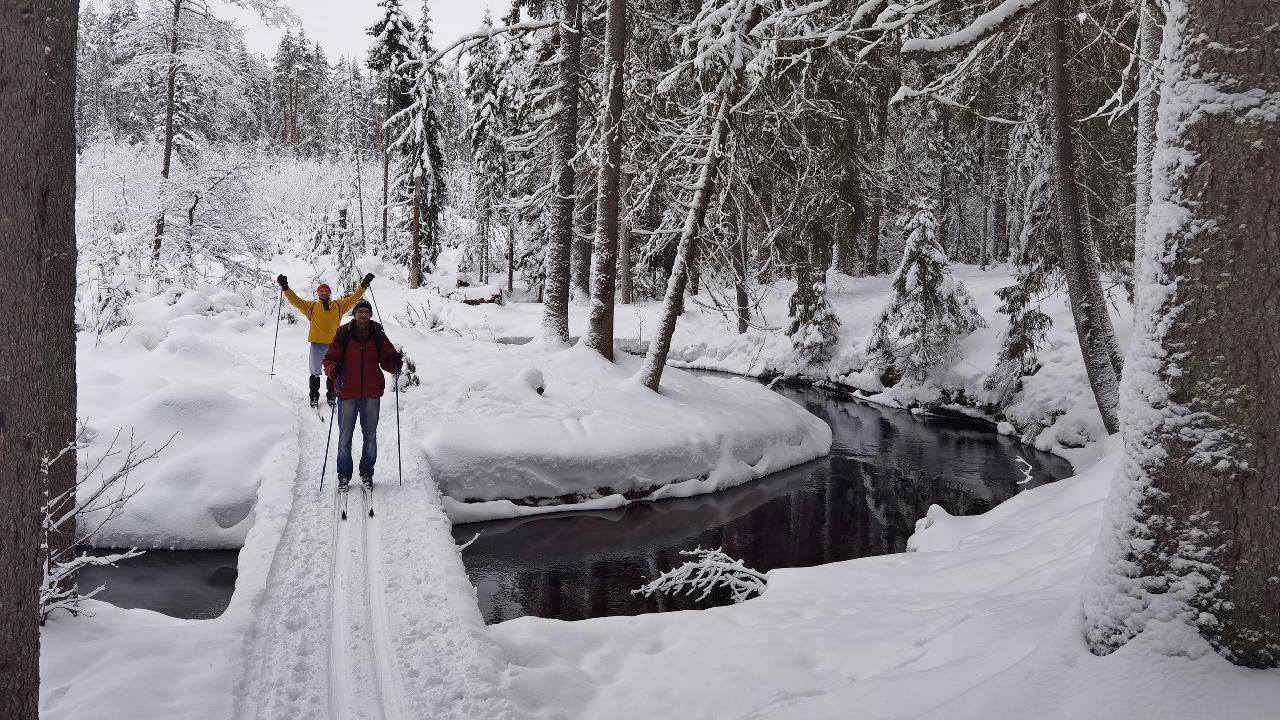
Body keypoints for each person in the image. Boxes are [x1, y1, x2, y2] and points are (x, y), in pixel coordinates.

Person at [323, 299, 402, 493]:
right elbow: (329, 360)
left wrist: (395, 362)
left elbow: (387, 359)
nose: (363, 315)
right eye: (360, 312)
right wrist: (334, 369)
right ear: (354, 314)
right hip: (347, 393)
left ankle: (367, 473)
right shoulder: (343, 333)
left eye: (367, 311)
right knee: (344, 438)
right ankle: (343, 475)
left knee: (370, 437)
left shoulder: (377, 334)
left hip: (371, 394)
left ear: (370, 314)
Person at [276, 272, 374, 408]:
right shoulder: (311, 307)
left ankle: (331, 396)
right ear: (318, 293)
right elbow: (296, 301)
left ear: (329, 293)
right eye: (321, 290)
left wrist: (364, 285)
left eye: (326, 291)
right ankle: (314, 397)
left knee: (332, 372)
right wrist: (285, 287)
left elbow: (354, 298)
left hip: (334, 345)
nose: (324, 292)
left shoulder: (339, 305)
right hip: (317, 345)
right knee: (315, 372)